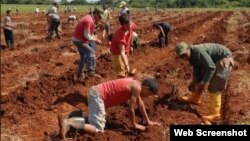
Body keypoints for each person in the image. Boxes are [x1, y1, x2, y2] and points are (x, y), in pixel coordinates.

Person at [60, 77, 161, 138]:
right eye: (149, 94)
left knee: (96, 119)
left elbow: (140, 104)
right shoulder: (137, 88)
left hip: (95, 92)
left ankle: (72, 117)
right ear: (147, 88)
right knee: (98, 129)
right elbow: (130, 109)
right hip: (98, 96)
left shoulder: (135, 82)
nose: (147, 96)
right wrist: (134, 124)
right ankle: (69, 122)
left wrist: (148, 121)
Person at [175, 42, 234, 124]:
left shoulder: (199, 51)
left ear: (188, 49)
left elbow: (211, 67)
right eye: (181, 56)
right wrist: (194, 81)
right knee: (200, 77)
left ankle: (215, 114)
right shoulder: (191, 56)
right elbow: (197, 68)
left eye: (184, 54)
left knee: (214, 86)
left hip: (225, 59)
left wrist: (203, 83)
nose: (184, 57)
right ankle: (195, 99)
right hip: (215, 60)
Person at [72, 8, 103, 79]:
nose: (100, 19)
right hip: (79, 40)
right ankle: (91, 72)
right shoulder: (89, 20)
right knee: (91, 52)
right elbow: (87, 35)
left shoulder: (89, 18)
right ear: (96, 14)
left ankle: (80, 74)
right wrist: (96, 40)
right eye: (100, 17)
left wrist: (95, 38)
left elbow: (88, 34)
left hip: (78, 39)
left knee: (83, 57)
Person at [110, 13, 137, 78]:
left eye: (129, 24)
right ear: (122, 25)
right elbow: (122, 52)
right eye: (126, 26)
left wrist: (131, 45)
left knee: (125, 71)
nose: (129, 27)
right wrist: (127, 65)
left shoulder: (131, 25)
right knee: (121, 74)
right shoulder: (120, 35)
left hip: (125, 51)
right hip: (117, 53)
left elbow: (133, 33)